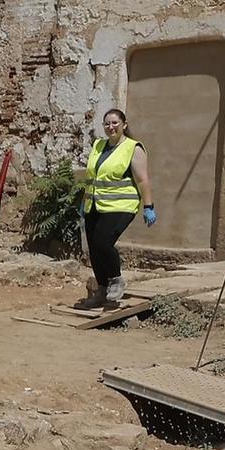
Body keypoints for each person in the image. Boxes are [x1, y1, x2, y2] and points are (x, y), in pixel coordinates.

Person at [73, 107, 156, 311]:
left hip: (121, 205)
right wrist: (85, 201)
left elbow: (143, 179)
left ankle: (116, 280)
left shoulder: (132, 148)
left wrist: (148, 206)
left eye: (115, 123)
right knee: (93, 248)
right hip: (95, 204)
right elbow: (92, 176)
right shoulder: (99, 145)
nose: (111, 127)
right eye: (107, 124)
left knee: (103, 242)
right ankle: (101, 290)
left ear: (124, 125)